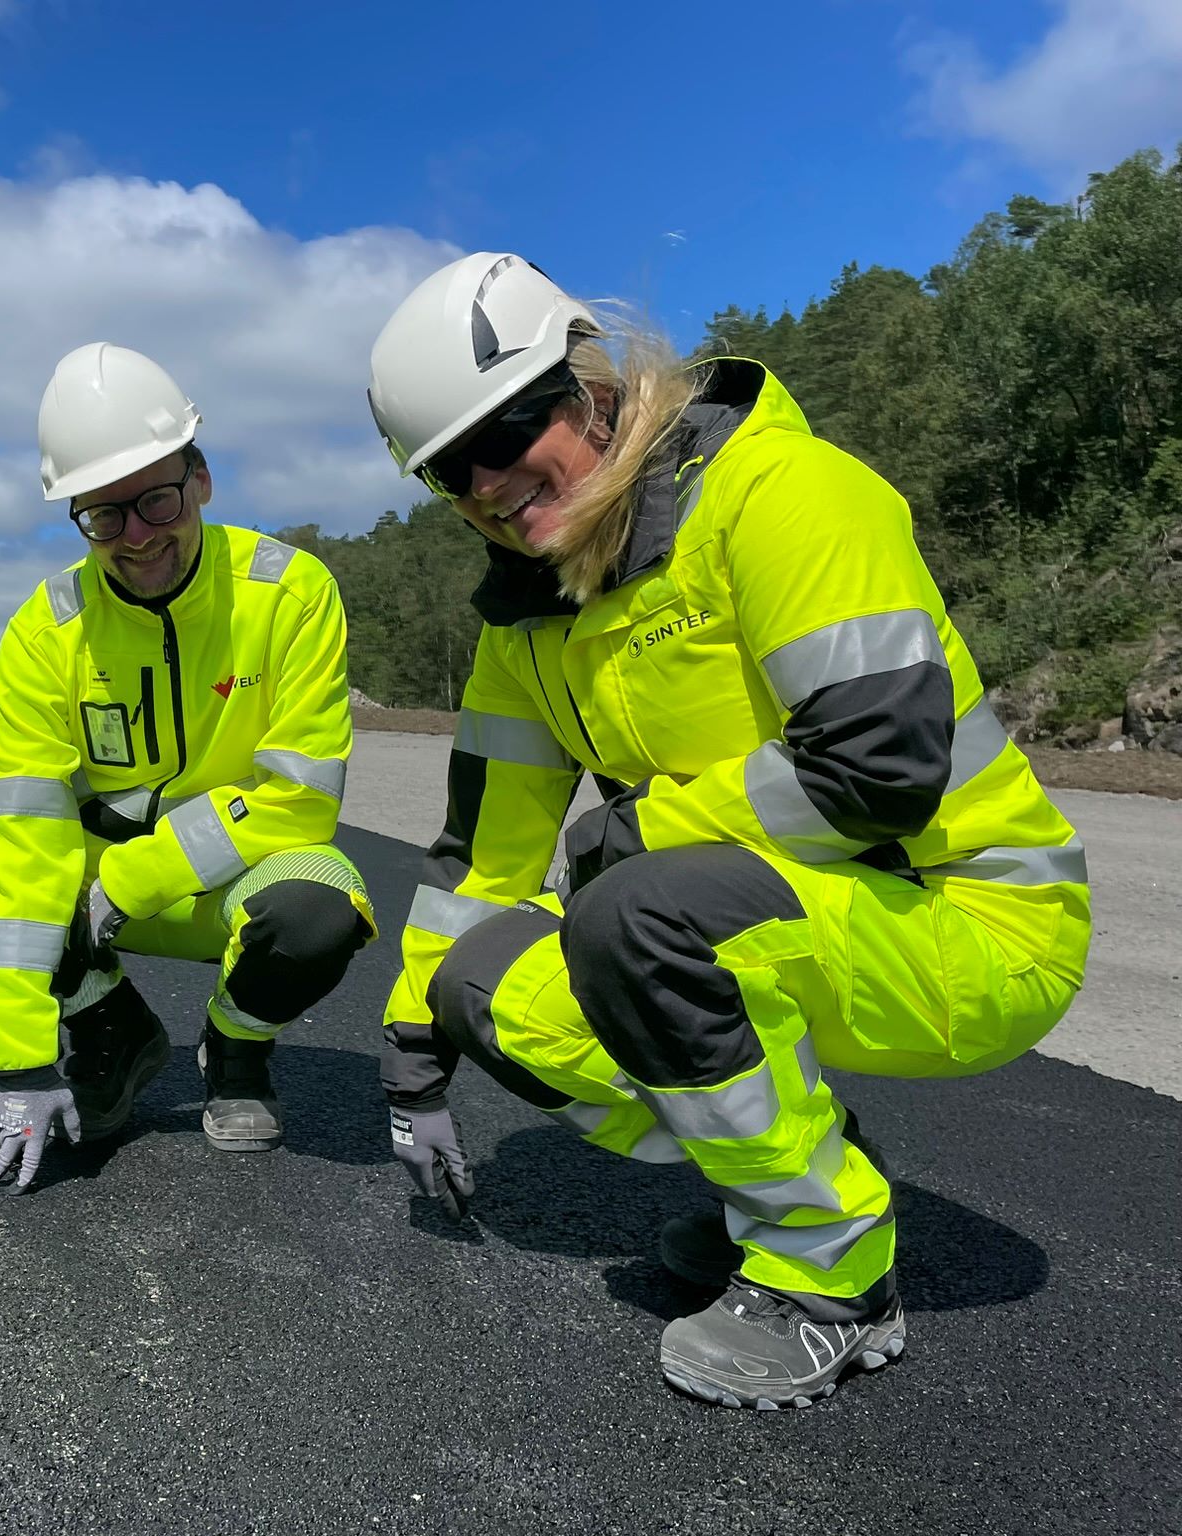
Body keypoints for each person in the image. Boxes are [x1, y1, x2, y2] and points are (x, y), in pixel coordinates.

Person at [364, 253, 1090, 1407]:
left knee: (633, 913)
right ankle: (793, 1172)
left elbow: (875, 766)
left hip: (974, 919)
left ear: (588, 386)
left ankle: (829, 1274)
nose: (490, 480)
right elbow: (482, 857)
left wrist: (632, 840)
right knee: (486, 977)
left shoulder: (784, 492)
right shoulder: (524, 627)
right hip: (780, 917)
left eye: (508, 430)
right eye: (452, 468)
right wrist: (411, 1044)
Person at [0, 343, 375, 1192]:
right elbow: (27, 837)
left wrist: (130, 881)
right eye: (104, 516)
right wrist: (20, 1062)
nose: (138, 535)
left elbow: (299, 801)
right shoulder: (45, 633)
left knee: (319, 911)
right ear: (76, 513)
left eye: (157, 499)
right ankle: (111, 1031)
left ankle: (235, 1049)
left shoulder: (291, 592)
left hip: (227, 882)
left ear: (202, 479)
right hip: (88, 884)